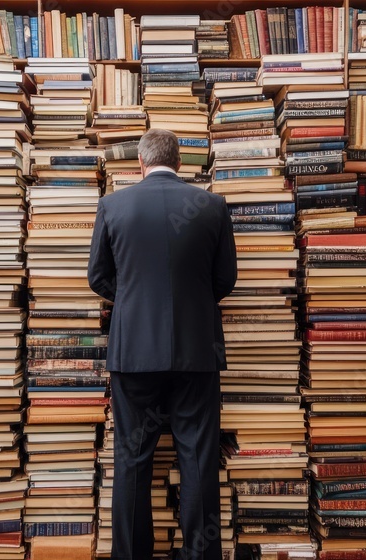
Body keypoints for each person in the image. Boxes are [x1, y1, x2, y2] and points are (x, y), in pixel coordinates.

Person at [88, 128, 238, 560]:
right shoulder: (211, 206)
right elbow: (224, 280)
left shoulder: (113, 205)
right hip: (196, 353)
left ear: (140, 162)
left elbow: (97, 277)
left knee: (133, 460)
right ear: (180, 162)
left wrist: (134, 297)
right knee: (197, 458)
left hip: (134, 353)